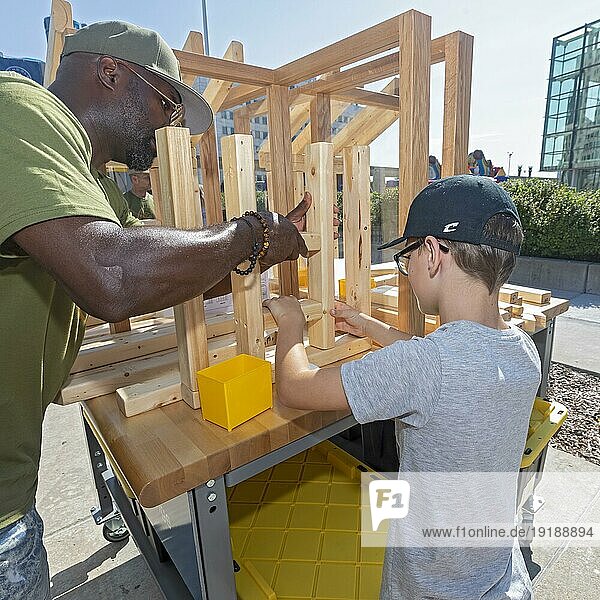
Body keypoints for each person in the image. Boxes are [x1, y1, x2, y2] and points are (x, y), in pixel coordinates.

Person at [0, 20, 339, 600]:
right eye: (164, 105)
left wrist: (266, 242)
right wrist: (251, 233)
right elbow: (115, 277)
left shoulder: (92, 183)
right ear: (110, 71)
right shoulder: (19, 110)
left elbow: (168, 272)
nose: (168, 125)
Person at [264, 175, 541, 599]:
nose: (406, 269)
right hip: (496, 574)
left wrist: (291, 325)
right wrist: (370, 326)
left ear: (432, 253)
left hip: (427, 587)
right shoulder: (522, 352)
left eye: (405, 257)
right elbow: (447, 360)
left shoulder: (424, 367)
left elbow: (294, 389)